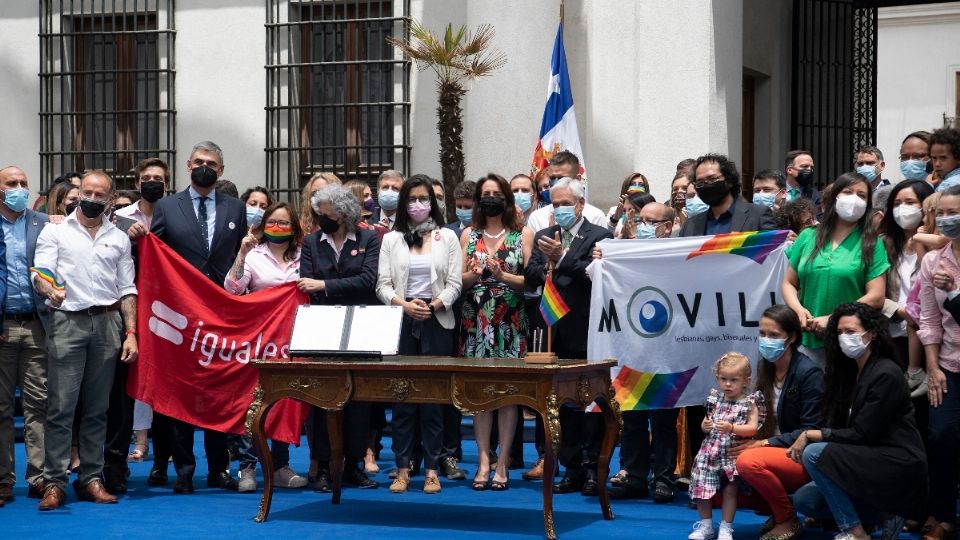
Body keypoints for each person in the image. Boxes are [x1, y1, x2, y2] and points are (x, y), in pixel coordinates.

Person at [33, 170, 138, 510]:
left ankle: (92, 478)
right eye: (86, 192)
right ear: (79, 194)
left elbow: (127, 289)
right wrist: (48, 288)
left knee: (98, 409)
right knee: (61, 408)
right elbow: (41, 272)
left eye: (98, 194)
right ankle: (54, 482)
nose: (90, 198)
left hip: (108, 325)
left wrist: (131, 332)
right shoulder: (55, 231)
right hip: (67, 323)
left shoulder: (119, 238)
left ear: (110, 200)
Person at [148, 140, 246, 493]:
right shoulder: (167, 206)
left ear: (221, 171)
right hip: (180, 317)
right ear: (188, 165)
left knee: (219, 393)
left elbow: (239, 259)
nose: (204, 166)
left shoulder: (236, 208)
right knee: (181, 394)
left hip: (220, 315)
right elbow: (154, 253)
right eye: (198, 161)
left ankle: (219, 469)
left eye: (212, 163)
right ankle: (185, 470)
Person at [792, 303, 926, 540]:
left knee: (813, 453)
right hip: (864, 457)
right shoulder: (849, 372)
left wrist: (812, 434)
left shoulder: (886, 373)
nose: (844, 338)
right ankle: (883, 514)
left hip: (894, 459)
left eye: (851, 332)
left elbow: (863, 434)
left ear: (872, 334)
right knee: (807, 500)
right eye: (840, 332)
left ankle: (855, 531)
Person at [524, 177, 613, 496]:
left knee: (589, 404)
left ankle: (592, 468)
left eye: (566, 203)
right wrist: (549, 261)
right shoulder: (546, 234)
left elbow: (595, 274)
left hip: (585, 327)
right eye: (555, 203)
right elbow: (531, 274)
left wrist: (562, 258)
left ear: (580, 204)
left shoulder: (600, 235)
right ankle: (571, 467)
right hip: (552, 328)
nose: (560, 209)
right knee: (561, 406)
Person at [375, 175, 461, 495]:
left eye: (424, 198)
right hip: (402, 321)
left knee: (433, 400)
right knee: (403, 400)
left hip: (437, 322)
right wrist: (405, 305)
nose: (418, 205)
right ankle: (402, 470)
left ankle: (433, 470)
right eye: (412, 199)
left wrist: (434, 305)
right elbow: (382, 285)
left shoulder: (447, 237)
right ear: (403, 203)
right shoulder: (392, 239)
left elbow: (454, 283)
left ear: (434, 203)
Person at [593, 202, 681, 502]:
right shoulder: (625, 251)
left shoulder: (682, 253)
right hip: (632, 347)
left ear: (668, 226)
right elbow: (598, 278)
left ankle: (664, 478)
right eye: (640, 220)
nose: (643, 226)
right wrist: (602, 259)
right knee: (631, 417)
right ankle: (634, 475)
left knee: (663, 419)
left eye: (651, 221)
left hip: (668, 349)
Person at [298, 186, 381, 492]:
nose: (322, 217)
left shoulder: (368, 239)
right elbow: (305, 283)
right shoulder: (311, 242)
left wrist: (324, 285)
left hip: (360, 324)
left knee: (358, 398)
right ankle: (321, 466)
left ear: (344, 213)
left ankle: (353, 464)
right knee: (323, 398)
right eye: (319, 211)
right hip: (323, 328)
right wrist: (322, 286)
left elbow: (368, 280)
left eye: (327, 212)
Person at [224, 202, 307, 492]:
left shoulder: (304, 257)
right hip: (259, 339)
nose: (279, 227)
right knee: (253, 400)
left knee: (285, 400)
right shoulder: (255, 255)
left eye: (285, 223)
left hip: (294, 340)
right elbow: (232, 288)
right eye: (273, 221)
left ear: (294, 227)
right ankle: (247, 467)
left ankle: (281, 465)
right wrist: (243, 253)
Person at [459, 174, 533, 491]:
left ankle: (503, 463)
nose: (491, 197)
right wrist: (474, 275)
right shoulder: (468, 234)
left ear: (506, 199)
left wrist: (502, 274)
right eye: (485, 193)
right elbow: (458, 282)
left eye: (496, 193)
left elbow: (531, 281)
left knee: (508, 395)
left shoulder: (522, 234)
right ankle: (483, 461)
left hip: (510, 320)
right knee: (480, 396)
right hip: (477, 321)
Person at [730, 305, 823, 540]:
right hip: (772, 449)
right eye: (762, 334)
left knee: (748, 462)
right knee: (716, 476)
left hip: (800, 453)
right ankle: (772, 508)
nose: (765, 340)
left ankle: (786, 518)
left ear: (791, 338)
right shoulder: (766, 369)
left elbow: (810, 430)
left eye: (773, 335)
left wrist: (762, 444)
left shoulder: (809, 373)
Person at [782, 172, 889, 369]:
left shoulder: (872, 243)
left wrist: (833, 318)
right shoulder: (807, 236)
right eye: (848, 192)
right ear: (834, 198)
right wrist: (798, 310)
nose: (854, 199)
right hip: (807, 340)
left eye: (861, 195)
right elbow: (789, 282)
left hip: (849, 341)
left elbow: (876, 296)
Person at [0, 166, 47, 504]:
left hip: (36, 325)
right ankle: (3, 480)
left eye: (23, 184)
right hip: (2, 327)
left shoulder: (42, 222)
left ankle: (39, 476)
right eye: (11, 184)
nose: (19, 189)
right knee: (1, 408)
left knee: (37, 406)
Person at [918, 183, 960, 540]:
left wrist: (955, 291)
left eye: (954, 213)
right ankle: (944, 515)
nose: (947, 220)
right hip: (949, 363)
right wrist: (932, 367)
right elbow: (930, 320)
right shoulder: (933, 260)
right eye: (941, 214)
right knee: (942, 436)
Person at [687, 353, 764, 540]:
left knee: (730, 490)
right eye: (723, 379)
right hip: (709, 452)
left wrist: (732, 428)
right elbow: (706, 424)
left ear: (746, 381)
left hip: (731, 453)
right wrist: (704, 426)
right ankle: (706, 525)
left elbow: (753, 428)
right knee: (701, 489)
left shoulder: (750, 403)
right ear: (717, 378)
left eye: (733, 380)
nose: (728, 384)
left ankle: (726, 527)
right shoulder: (714, 399)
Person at [880, 180, 935, 401]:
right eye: (897, 203)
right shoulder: (883, 244)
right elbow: (874, 290)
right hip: (893, 334)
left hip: (929, 337)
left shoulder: (938, 245)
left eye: (910, 202)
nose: (902, 208)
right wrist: (900, 312)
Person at [679, 153, 776, 237]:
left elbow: (772, 251)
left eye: (712, 179)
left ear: (729, 181)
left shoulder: (758, 215)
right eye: (700, 182)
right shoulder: (690, 225)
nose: (706, 185)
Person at [526, 152, 607, 232]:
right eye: (552, 178)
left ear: (577, 179)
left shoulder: (595, 217)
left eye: (562, 178)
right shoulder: (537, 218)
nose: (556, 183)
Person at [783, 150, 821, 217]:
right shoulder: (775, 191)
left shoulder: (815, 196)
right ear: (789, 170)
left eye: (811, 167)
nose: (809, 170)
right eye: (805, 166)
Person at [931, 127, 960, 192]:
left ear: (957, 158)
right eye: (934, 158)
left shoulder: (948, 185)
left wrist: (927, 186)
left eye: (943, 158)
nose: (937, 164)